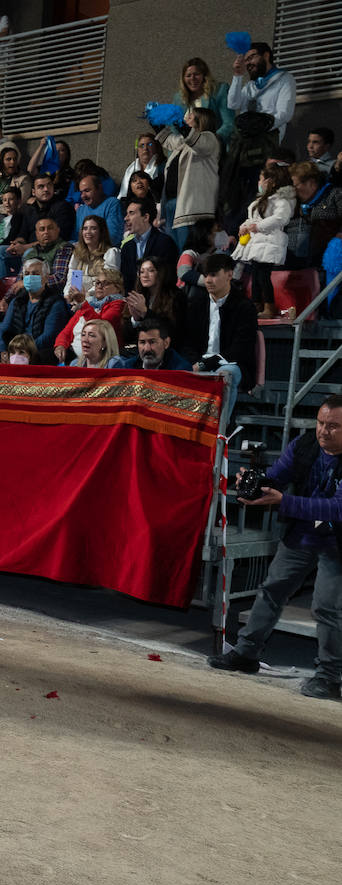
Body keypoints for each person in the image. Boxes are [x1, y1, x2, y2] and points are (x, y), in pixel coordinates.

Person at [208, 395, 342, 700]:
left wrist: (283, 501)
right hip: (303, 533)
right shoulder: (304, 445)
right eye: (320, 423)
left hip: (337, 542)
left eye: (333, 426)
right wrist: (253, 483)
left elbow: (336, 508)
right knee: (271, 590)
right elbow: (277, 476)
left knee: (327, 607)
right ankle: (246, 654)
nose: (323, 431)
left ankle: (330, 678)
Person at [182, 253, 258, 420]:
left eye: (214, 275)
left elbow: (240, 349)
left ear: (229, 274)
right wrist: (195, 362)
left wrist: (205, 364)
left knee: (225, 375)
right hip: (198, 362)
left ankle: (219, 429)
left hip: (231, 363)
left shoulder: (244, 307)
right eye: (206, 275)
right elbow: (187, 342)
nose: (208, 280)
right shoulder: (196, 304)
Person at [231, 163, 296, 317]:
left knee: (263, 276)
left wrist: (258, 226)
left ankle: (269, 307)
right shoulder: (260, 200)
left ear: (270, 181)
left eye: (261, 179)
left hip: (269, 243)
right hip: (256, 244)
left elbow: (280, 218)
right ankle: (256, 305)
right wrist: (244, 227)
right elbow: (251, 219)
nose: (259, 183)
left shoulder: (281, 201)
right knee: (256, 275)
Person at [157, 107, 221, 248]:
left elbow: (196, 141)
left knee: (187, 252)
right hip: (173, 206)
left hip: (192, 211)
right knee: (175, 253)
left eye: (190, 117)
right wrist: (156, 121)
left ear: (201, 120)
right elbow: (169, 139)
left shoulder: (210, 139)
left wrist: (180, 125)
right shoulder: (184, 143)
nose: (186, 119)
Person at [0, 257, 68, 362]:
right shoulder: (17, 301)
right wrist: (4, 351)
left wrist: (24, 351)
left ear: (46, 278)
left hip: (38, 353)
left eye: (35, 274)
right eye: (27, 274)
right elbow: (4, 329)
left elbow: (49, 336)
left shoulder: (56, 303)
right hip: (15, 351)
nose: (30, 277)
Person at [226, 42, 297, 143]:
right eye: (246, 61)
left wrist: (260, 126)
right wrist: (238, 75)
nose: (248, 63)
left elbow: (285, 114)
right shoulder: (250, 86)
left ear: (266, 56)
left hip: (268, 140)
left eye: (251, 58)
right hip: (246, 141)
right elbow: (232, 104)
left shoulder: (284, 79)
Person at [54, 267, 126, 364]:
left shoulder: (118, 305)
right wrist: (60, 346)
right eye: (97, 283)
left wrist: (82, 303)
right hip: (76, 357)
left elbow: (100, 327)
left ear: (118, 288)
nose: (99, 286)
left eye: (105, 283)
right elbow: (67, 331)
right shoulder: (89, 304)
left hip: (103, 358)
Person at [289, 161, 342, 268]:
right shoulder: (296, 204)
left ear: (311, 183)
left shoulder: (335, 195)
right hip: (305, 263)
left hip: (332, 261)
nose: (294, 191)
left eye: (296, 186)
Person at [119, 199, 179, 290]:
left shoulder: (164, 242)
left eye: (131, 213)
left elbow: (168, 276)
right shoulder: (127, 247)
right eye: (126, 214)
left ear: (146, 217)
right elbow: (126, 280)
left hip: (160, 295)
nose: (126, 218)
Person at [173, 57, 235, 144]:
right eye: (188, 76)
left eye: (196, 74)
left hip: (216, 146)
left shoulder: (219, 91)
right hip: (187, 148)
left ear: (204, 76)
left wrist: (211, 141)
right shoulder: (178, 98)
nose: (192, 78)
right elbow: (174, 129)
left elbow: (229, 123)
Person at [125, 256, 186, 342]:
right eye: (142, 272)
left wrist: (145, 312)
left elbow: (172, 332)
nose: (145, 275)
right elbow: (128, 338)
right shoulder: (140, 296)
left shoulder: (175, 296)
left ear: (161, 273)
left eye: (151, 271)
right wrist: (135, 320)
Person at [64, 215, 120, 301]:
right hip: (76, 298)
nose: (88, 232)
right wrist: (68, 294)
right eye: (85, 228)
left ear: (101, 232)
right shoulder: (77, 253)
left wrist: (85, 297)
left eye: (93, 228)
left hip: (99, 300)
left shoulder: (111, 253)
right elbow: (71, 278)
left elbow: (107, 283)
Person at [109, 317, 193, 370]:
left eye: (152, 342)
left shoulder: (181, 370)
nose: (147, 349)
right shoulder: (126, 367)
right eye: (142, 342)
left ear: (166, 343)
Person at [75, 174, 124, 248]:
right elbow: (76, 237)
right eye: (81, 192)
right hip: (84, 251)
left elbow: (113, 237)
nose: (83, 196)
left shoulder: (112, 204)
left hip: (105, 251)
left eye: (87, 191)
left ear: (99, 188)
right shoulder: (80, 210)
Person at [117, 133, 166, 200]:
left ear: (156, 147)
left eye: (150, 144)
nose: (145, 148)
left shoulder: (163, 166)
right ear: (137, 150)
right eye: (142, 145)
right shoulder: (130, 168)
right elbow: (123, 194)